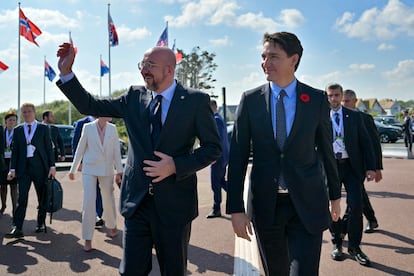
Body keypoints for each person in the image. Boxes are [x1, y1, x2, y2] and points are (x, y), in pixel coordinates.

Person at [56, 43, 222, 275]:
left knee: (173, 270)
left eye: (150, 65)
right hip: (137, 203)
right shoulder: (134, 96)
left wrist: (175, 165)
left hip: (174, 206)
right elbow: (89, 105)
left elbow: (213, 148)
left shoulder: (196, 101)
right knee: (131, 271)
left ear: (169, 70)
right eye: (142, 64)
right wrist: (66, 73)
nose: (144, 69)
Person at [226, 32, 341, 276]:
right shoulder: (250, 100)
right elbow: (237, 156)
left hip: (307, 202)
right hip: (268, 206)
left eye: (274, 57)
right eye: (263, 56)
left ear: (294, 60)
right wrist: (236, 208)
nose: (266, 63)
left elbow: (327, 152)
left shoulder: (317, 100)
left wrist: (335, 196)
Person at [326, 83, 376, 266]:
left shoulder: (354, 116)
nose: (334, 99)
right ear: (327, 96)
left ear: (341, 96)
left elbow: (366, 142)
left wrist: (371, 167)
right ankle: (337, 244)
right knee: (333, 207)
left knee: (356, 206)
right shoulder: (320, 116)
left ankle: (355, 247)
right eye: (330, 95)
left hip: (352, 168)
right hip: (331, 167)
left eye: (337, 95)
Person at [69, 117, 123, 251]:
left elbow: (117, 150)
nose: (110, 114)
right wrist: (73, 169)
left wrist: (119, 171)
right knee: (88, 202)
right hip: (89, 169)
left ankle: (112, 225)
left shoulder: (113, 128)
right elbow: (80, 149)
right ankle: (87, 238)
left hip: (107, 169)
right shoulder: (88, 127)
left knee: (108, 199)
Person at [5, 103, 56, 239]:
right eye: (24, 112)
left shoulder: (43, 128)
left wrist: (52, 166)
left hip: (40, 168)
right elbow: (15, 151)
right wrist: (12, 169)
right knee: (21, 199)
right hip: (23, 169)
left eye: (28, 111)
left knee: (42, 197)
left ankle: (40, 223)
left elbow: (48, 148)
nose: (26, 114)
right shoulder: (18, 130)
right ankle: (17, 227)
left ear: (34, 112)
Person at [341, 89, 382, 233]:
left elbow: (374, 144)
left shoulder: (364, 118)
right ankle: (372, 219)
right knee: (359, 195)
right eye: (342, 101)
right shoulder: (338, 117)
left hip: (360, 165)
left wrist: (376, 167)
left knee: (355, 199)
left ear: (355, 101)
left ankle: (342, 229)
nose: (343, 104)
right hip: (344, 165)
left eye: (346, 101)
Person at [73, 116, 105, 227]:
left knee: (103, 189)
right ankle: (95, 215)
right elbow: (76, 143)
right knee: (92, 189)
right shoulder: (81, 123)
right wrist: (78, 163)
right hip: (88, 163)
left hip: (104, 163)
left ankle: (98, 214)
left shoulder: (106, 121)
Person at [207, 99, 230, 218]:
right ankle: (234, 196)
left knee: (215, 183)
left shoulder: (215, 120)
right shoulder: (219, 119)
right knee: (220, 181)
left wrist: (214, 155)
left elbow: (218, 140)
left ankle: (216, 209)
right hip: (223, 156)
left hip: (218, 157)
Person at [0, 112, 19, 216]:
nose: (12, 122)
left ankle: (15, 208)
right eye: (10, 120)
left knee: (13, 186)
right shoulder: (1, 132)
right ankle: (3, 205)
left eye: (14, 120)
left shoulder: (18, 133)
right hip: (3, 162)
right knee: (3, 186)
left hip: (14, 161)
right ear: (6, 121)